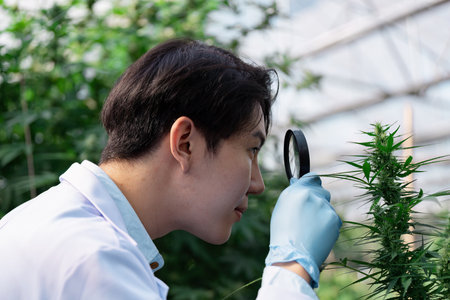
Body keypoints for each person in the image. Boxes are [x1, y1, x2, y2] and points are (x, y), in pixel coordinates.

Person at [0, 39, 341, 299]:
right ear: (185, 143)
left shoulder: (55, 225)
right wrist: (292, 268)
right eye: (251, 149)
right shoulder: (94, 259)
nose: (257, 184)